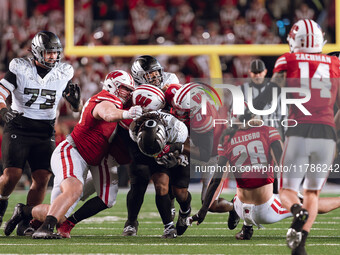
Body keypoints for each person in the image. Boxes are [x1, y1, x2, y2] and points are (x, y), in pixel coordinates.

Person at [4, 70, 142, 239]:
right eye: (124, 89)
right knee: (74, 190)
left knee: (59, 214)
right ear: (112, 85)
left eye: (130, 90)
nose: (127, 93)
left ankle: (25, 212)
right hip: (73, 152)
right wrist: (127, 114)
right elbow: (108, 113)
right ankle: (45, 228)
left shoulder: (118, 103)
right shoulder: (106, 99)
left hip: (92, 159)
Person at [252, 19, 340, 255]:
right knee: (313, 192)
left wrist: (254, 107)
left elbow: (271, 92)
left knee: (287, 190)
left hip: (300, 128)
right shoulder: (333, 62)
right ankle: (300, 243)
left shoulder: (288, 59)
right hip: (327, 132)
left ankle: (295, 210)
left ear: (294, 40)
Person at [189, 114, 340, 241]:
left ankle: (246, 227)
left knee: (239, 195)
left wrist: (202, 212)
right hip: (265, 211)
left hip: (240, 206)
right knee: (308, 202)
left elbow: (216, 179)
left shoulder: (227, 139)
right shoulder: (267, 131)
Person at [0, 31, 81, 235]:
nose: (53, 57)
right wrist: (3, 110)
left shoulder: (63, 72)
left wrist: (75, 104)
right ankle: (0, 205)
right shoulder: (20, 69)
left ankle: (25, 221)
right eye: (48, 53)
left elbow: (75, 109)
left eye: (55, 53)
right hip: (19, 126)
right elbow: (0, 92)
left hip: (45, 130)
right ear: (37, 53)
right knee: (12, 176)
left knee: (42, 176)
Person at [123, 55, 180, 236]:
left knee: (162, 183)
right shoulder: (131, 89)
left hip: (162, 136)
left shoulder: (170, 80)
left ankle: (168, 226)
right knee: (138, 183)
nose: (155, 77)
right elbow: (123, 118)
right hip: (137, 136)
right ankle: (131, 222)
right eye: (150, 74)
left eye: (157, 72)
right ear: (139, 77)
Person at [172, 82, 233, 213]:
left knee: (210, 204)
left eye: (184, 110)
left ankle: (236, 207)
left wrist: (179, 147)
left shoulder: (203, 117)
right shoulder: (189, 101)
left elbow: (205, 154)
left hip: (215, 155)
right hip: (201, 146)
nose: (179, 112)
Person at [129, 110, 190, 238]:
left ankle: (185, 210)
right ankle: (168, 227)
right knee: (160, 185)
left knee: (180, 192)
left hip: (175, 149)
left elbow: (199, 152)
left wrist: (176, 155)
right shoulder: (134, 129)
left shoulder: (177, 129)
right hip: (152, 150)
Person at [241, 59, 286, 139]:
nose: (257, 75)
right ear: (250, 72)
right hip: (251, 133)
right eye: (254, 72)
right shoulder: (242, 89)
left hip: (273, 130)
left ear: (265, 71)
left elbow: (283, 115)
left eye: (260, 72)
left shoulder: (275, 89)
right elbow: (236, 116)